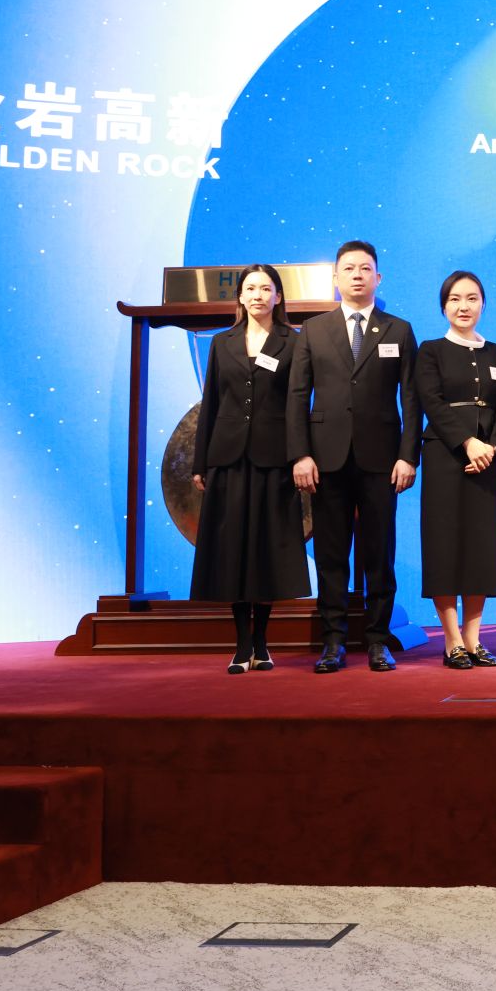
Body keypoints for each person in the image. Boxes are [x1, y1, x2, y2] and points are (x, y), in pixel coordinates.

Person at [287, 241, 420, 675]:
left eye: (365, 268)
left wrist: (408, 456)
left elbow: (412, 399)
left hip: (382, 459)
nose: (357, 275)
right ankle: (333, 641)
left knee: (380, 553)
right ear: (336, 278)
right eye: (349, 269)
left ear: (378, 278)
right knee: (331, 554)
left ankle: (378, 640)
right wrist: (301, 454)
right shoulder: (313, 330)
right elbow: (297, 397)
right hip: (326, 460)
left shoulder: (399, 330)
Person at [190, 264, 309, 673]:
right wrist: (201, 461)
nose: (258, 295)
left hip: (274, 460)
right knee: (233, 552)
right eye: (250, 289)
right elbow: (211, 403)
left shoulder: (294, 342)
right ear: (240, 296)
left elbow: (298, 405)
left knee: (267, 551)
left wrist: (299, 455)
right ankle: (242, 645)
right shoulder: (221, 343)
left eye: (266, 288)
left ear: (278, 296)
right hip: (228, 459)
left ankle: (262, 642)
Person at [416, 271, 496, 669]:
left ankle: (474, 639)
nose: (463, 306)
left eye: (472, 298)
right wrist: (467, 442)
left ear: (483, 304)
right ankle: (451, 640)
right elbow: (431, 401)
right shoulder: (431, 350)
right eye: (455, 299)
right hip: (445, 457)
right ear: (444, 306)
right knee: (444, 544)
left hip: (487, 460)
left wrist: (494, 447)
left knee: (481, 546)